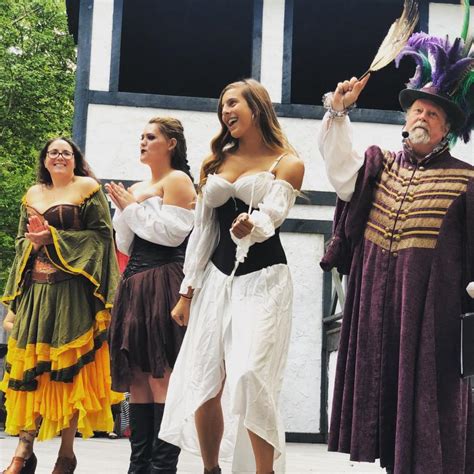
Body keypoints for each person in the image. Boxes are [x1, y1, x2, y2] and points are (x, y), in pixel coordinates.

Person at [318, 28, 474, 473]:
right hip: (377, 309)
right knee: (383, 405)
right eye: (418, 109)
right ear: (405, 120)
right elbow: (339, 169)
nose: (423, 116)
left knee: (430, 407)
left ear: (449, 129)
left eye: (434, 113)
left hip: (433, 318)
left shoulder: (467, 180)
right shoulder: (376, 165)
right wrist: (338, 111)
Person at [159, 78, 304, 473]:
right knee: (204, 379)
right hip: (217, 281)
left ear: (257, 107)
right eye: (222, 105)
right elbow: (204, 232)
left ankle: (264, 471)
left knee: (251, 375)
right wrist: (186, 291)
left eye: (234, 102)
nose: (226, 111)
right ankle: (211, 469)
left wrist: (251, 226)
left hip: (265, 280)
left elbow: (273, 215)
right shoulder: (215, 163)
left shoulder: (287, 163)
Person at [0, 137, 121, 474]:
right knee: (30, 372)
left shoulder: (88, 188)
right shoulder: (32, 194)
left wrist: (54, 237)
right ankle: (23, 451)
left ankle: (66, 455)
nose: (59, 156)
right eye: (52, 152)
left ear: (74, 159)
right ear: (45, 159)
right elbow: (20, 241)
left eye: (65, 152)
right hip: (37, 293)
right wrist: (33, 242)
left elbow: (101, 236)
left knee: (69, 373)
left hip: (72, 294)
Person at [106, 116, 196, 474]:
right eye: (140, 136)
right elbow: (125, 242)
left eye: (151, 136)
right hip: (135, 280)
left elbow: (173, 234)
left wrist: (130, 207)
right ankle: (138, 464)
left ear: (171, 143)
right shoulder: (137, 185)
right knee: (139, 373)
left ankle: (162, 467)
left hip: (163, 277)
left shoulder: (178, 179)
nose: (143, 142)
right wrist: (126, 207)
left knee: (161, 371)